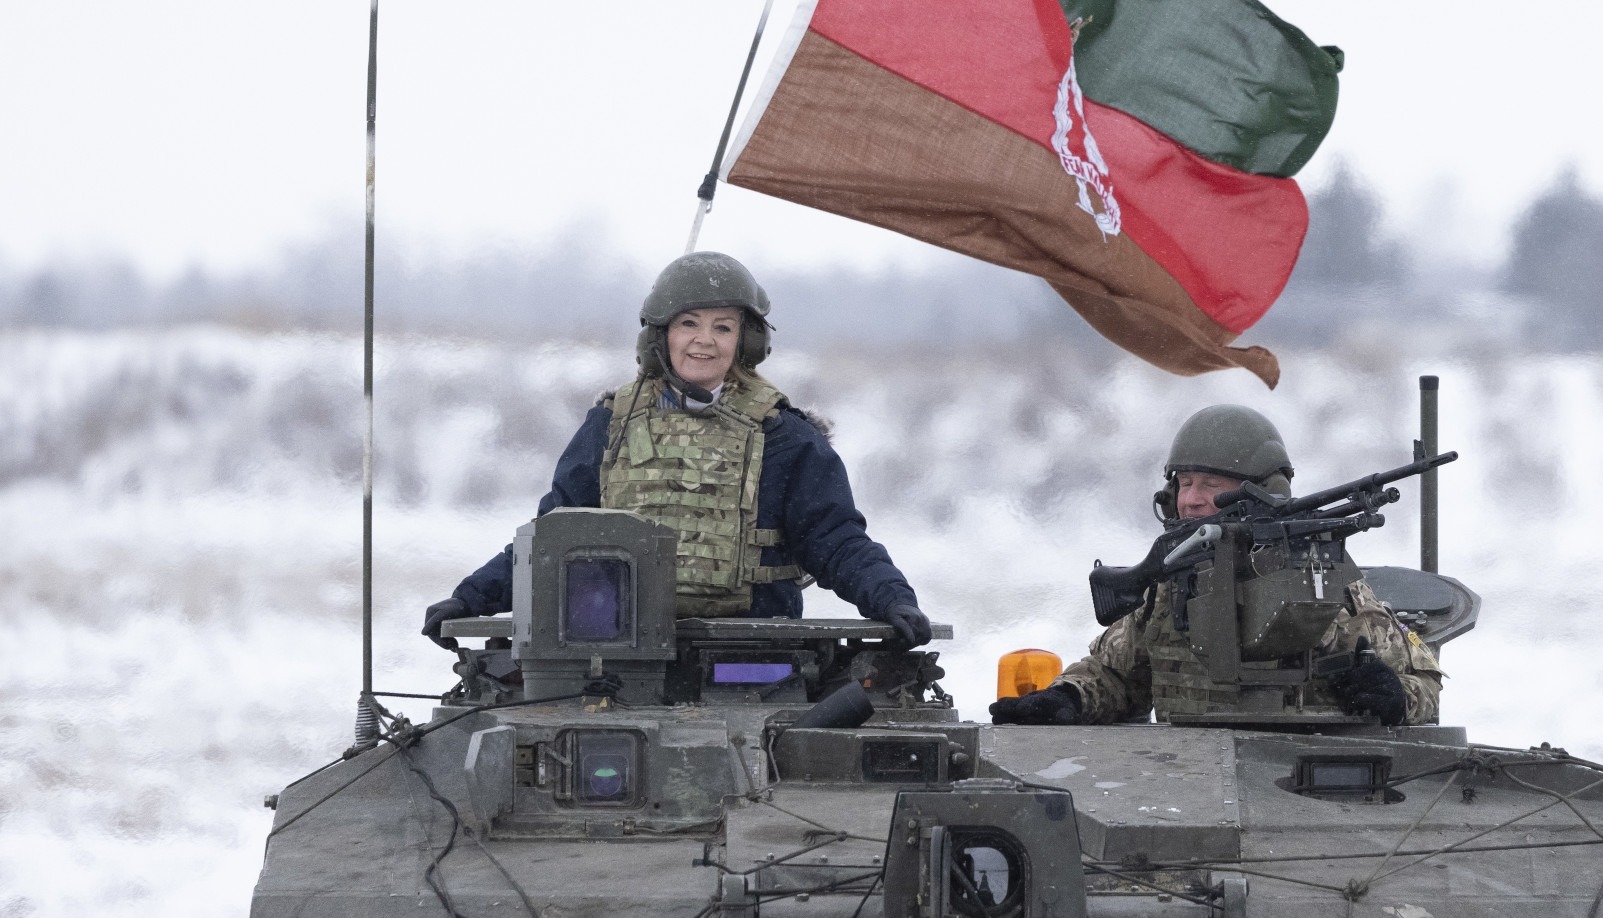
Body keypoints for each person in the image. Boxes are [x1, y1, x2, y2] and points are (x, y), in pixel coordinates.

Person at [421, 252, 929, 648]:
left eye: (723, 327)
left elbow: (835, 539)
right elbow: (552, 540)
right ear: (662, 335)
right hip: (618, 653)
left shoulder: (784, 438)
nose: (704, 341)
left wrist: (891, 599)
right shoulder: (611, 426)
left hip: (753, 655)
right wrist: (471, 598)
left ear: (746, 341)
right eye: (688, 323)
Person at [989, 404, 1440, 726]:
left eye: (1210, 485)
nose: (1190, 499)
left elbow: (1425, 686)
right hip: (1184, 778)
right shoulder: (1171, 579)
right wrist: (1068, 698)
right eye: (1184, 484)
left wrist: (1393, 696)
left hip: (1301, 778)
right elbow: (1115, 676)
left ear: (1262, 492)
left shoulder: (1320, 575)